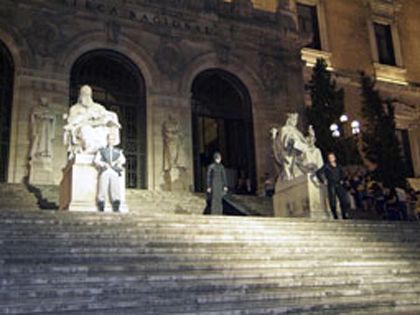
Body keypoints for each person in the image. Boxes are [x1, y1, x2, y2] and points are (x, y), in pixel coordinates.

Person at [94, 133, 126, 212]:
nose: (111, 141)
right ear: (107, 140)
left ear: (114, 141)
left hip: (114, 170)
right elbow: (96, 160)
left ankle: (116, 206)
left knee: (115, 189)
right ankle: (101, 206)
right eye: (109, 139)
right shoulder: (102, 150)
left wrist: (116, 163)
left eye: (112, 139)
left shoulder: (118, 151)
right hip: (105, 170)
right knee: (102, 188)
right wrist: (103, 164)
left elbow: (123, 160)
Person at [316, 152, 350, 220]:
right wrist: (323, 180)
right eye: (329, 157)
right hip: (331, 184)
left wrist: (342, 179)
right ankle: (335, 215)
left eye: (332, 157)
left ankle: (344, 214)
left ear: (334, 158)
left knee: (344, 199)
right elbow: (318, 172)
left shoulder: (338, 166)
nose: (331, 158)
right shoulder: (326, 166)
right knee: (332, 200)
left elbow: (343, 174)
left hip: (339, 184)